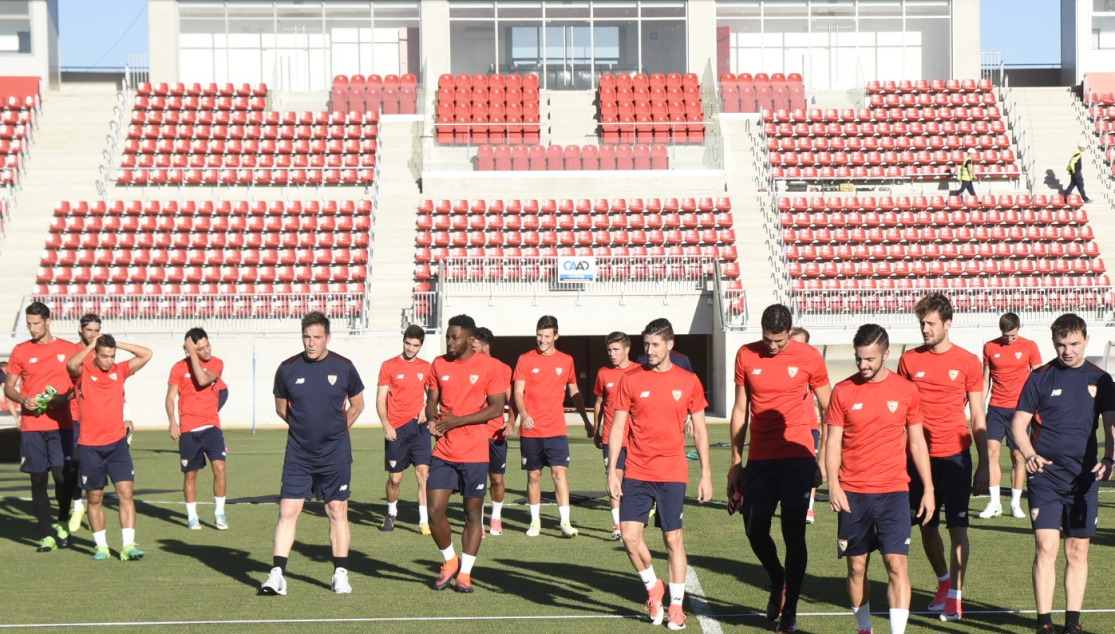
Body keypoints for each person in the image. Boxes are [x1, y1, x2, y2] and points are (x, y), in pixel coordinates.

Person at [727, 304, 831, 633]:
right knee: (754, 530)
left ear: (790, 331)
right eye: (767, 339)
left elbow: (831, 409)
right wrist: (735, 460)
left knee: (793, 534)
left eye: (779, 340)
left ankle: (791, 611)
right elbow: (741, 408)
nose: (772, 346)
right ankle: (777, 580)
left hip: (798, 457)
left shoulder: (810, 357)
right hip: (760, 457)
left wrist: (823, 457)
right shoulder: (745, 355)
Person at [826, 324, 934, 634]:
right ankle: (865, 629)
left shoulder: (906, 390)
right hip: (853, 494)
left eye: (870, 359)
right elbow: (833, 442)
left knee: (897, 565)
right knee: (857, 567)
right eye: (859, 358)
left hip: (894, 492)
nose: (863, 365)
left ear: (886, 354)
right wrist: (833, 483)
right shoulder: (843, 391)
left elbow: (916, 442)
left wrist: (927, 488)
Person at [1011, 314, 1115, 634]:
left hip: (1084, 478)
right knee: (1046, 547)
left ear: (1086, 340)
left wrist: (1110, 458)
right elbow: (1017, 424)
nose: (1067, 351)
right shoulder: (1040, 377)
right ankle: (1044, 624)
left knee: (1078, 549)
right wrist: (1029, 454)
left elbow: (1112, 426)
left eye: (1073, 344)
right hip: (1046, 477)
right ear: (1053, 343)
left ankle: (1072, 624)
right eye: (1060, 345)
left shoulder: (1102, 379)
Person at [608, 318, 711, 631]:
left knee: (672, 539)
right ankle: (654, 587)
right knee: (628, 535)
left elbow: (701, 431)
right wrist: (613, 468)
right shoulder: (631, 379)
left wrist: (706, 473)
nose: (648, 351)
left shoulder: (689, 381)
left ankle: (677, 607)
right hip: (637, 469)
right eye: (646, 344)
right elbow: (617, 427)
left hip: (672, 470)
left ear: (670, 344)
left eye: (655, 345)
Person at [897, 293, 989, 622]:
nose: (925, 328)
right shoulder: (908, 360)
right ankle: (942, 581)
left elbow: (978, 417)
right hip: (919, 460)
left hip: (956, 457)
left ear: (947, 324)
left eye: (931, 323)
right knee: (926, 525)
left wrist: (985, 464)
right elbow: (901, 413)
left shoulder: (967, 362)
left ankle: (955, 596)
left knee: (958, 527)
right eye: (922, 323)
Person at [262, 312, 365, 596]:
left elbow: (357, 405)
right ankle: (278, 574)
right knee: (287, 511)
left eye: (317, 337)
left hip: (335, 454)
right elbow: (281, 408)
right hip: (299, 454)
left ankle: (340, 574)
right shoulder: (287, 368)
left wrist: (334, 432)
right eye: (307, 337)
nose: (311, 343)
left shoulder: (344, 367)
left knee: (336, 511)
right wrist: (305, 432)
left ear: (328, 338)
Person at [424, 315, 507, 592]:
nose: (450, 341)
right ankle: (450, 561)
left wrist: (456, 421)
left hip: (474, 453)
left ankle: (465, 574)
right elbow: (431, 402)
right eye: (448, 336)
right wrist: (432, 419)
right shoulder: (438, 364)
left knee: (473, 515)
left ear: (471, 340)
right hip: (444, 451)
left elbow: (496, 409)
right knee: (434, 512)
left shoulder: (491, 367)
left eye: (455, 337)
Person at [67, 333, 153, 561]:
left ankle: (128, 546)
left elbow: (146, 354)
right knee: (95, 498)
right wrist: (92, 345)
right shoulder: (84, 372)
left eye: (112, 356)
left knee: (126, 494)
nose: (108, 360)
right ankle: (102, 547)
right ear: (95, 354)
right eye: (104, 356)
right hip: (90, 447)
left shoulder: (120, 370)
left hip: (117, 445)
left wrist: (117, 344)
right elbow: (72, 364)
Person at [3, 302, 78, 552]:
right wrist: (23, 399)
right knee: (37, 479)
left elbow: (79, 386)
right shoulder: (21, 351)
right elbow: (9, 387)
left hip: (61, 425)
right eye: (29, 324)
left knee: (61, 476)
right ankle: (47, 535)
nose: (32, 328)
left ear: (48, 321)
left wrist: (63, 398)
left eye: (36, 323)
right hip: (31, 427)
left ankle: (63, 521)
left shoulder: (69, 349)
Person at [513, 315, 592, 538]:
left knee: (559, 474)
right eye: (539, 335)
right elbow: (518, 392)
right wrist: (524, 414)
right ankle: (535, 521)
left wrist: (586, 421)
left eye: (547, 336)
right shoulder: (525, 359)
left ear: (556, 336)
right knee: (534, 476)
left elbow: (574, 392)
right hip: (531, 430)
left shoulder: (566, 360)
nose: (542, 340)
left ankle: (565, 522)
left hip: (556, 429)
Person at [166, 327, 229, 531]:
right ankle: (192, 516)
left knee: (219, 467)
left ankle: (219, 513)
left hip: (211, 426)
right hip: (188, 429)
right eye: (200, 348)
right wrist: (172, 421)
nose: (207, 350)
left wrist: (193, 353)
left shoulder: (217, 363)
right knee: (190, 475)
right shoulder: (177, 368)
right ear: (189, 349)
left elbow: (202, 380)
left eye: (207, 345)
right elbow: (170, 398)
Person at [980, 312, 1042, 520]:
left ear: (1019, 329)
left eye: (1013, 335)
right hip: (996, 408)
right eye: (1006, 335)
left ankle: (1015, 503)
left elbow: (1038, 377)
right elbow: (985, 378)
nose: (1009, 339)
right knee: (991, 453)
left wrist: (1038, 406)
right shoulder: (990, 347)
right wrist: (979, 405)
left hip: (1020, 410)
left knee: (1018, 456)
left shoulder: (1030, 346)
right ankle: (995, 503)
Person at [376, 324, 433, 535]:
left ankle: (424, 521)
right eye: (408, 344)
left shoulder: (426, 367)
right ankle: (391, 513)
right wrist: (385, 423)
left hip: (419, 428)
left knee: (423, 474)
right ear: (404, 341)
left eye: (415, 345)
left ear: (421, 346)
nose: (410, 348)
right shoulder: (388, 366)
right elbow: (381, 398)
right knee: (395, 479)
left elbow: (433, 398)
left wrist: (427, 409)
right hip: (396, 429)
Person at [472, 327, 514, 536]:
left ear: (486, 346)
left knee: (497, 479)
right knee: (477, 480)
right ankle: (477, 523)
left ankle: (496, 518)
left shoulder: (503, 368)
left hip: (496, 433)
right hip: (474, 434)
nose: (471, 346)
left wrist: (512, 420)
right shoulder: (467, 366)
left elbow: (511, 398)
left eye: (475, 344)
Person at [593, 331, 634, 540]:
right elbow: (599, 403)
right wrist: (596, 430)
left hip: (636, 439)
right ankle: (617, 525)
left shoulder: (639, 371)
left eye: (616, 349)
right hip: (611, 436)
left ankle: (634, 517)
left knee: (632, 481)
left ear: (627, 349)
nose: (612, 353)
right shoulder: (603, 373)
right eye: (609, 349)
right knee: (614, 478)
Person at [66, 313, 102, 534]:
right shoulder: (71, 352)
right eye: (90, 331)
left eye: (97, 331)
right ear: (80, 329)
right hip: (73, 417)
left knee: (94, 465)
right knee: (74, 463)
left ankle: (92, 505)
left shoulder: (102, 354)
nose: (94, 335)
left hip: (98, 419)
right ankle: (78, 507)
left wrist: (124, 414)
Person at [790, 326, 823, 525]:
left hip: (809, 424)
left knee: (810, 469)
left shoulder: (812, 364)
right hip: (787, 428)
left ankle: (809, 505)